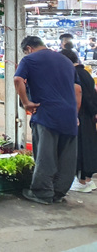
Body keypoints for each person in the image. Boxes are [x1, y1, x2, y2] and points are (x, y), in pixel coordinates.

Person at [14, 35, 79, 204]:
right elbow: (77, 89)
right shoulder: (66, 61)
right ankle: (59, 192)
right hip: (69, 115)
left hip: (47, 114)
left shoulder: (29, 59)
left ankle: (42, 193)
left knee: (45, 154)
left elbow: (18, 79)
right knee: (67, 157)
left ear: (29, 48)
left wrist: (26, 103)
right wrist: (75, 114)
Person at [61, 47, 97, 193]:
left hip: (80, 115)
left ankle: (81, 181)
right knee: (89, 146)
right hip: (89, 116)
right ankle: (88, 180)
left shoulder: (75, 74)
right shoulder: (85, 73)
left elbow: (81, 95)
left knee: (81, 148)